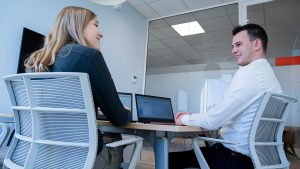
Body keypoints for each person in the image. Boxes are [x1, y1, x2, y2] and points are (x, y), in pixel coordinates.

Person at [25, 6, 131, 169]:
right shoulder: (89, 55)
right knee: (115, 137)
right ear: (77, 26)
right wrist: (126, 111)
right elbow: (119, 118)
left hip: (43, 156)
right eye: (96, 25)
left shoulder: (36, 61)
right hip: (80, 159)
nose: (101, 33)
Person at [169, 23, 282, 169]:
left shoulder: (249, 73)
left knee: (169, 159)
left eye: (238, 44)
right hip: (255, 159)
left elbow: (213, 122)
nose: (234, 50)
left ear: (257, 44)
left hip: (233, 160)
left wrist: (183, 119)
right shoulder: (269, 77)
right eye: (233, 46)